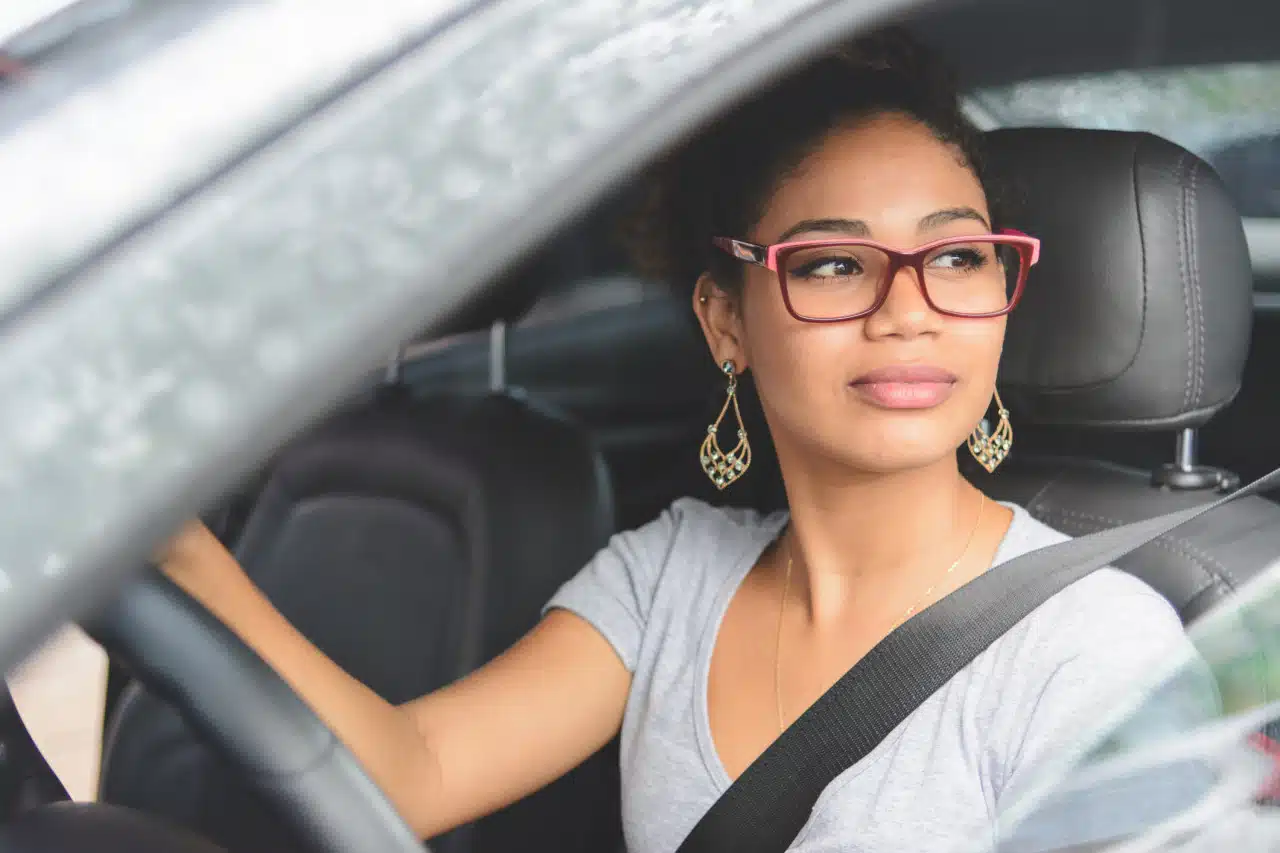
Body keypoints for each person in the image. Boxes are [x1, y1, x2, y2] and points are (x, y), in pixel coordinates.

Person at [157, 26, 1195, 853]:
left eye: (957, 257)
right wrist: (172, 549)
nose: (908, 310)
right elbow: (413, 769)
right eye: (833, 263)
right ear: (724, 320)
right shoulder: (666, 578)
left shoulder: (1090, 649)